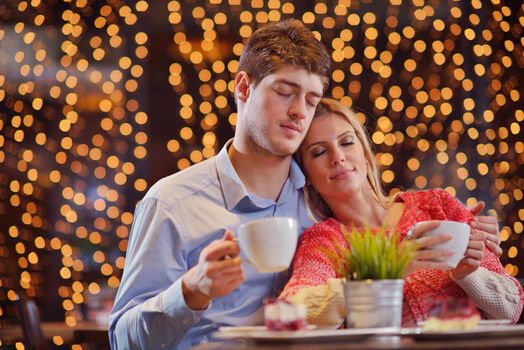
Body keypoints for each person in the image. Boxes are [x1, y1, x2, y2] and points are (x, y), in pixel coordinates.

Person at [109, 19, 331, 349]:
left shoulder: (320, 203)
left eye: (311, 101)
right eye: (285, 92)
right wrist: (189, 292)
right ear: (243, 87)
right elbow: (122, 341)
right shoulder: (171, 203)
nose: (300, 111)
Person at [279, 98, 524, 328]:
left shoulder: (436, 204)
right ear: (306, 176)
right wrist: (389, 269)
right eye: (319, 152)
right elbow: (290, 312)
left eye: (346, 142)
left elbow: (511, 308)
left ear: (364, 152)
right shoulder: (325, 242)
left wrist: (468, 275)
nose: (338, 157)